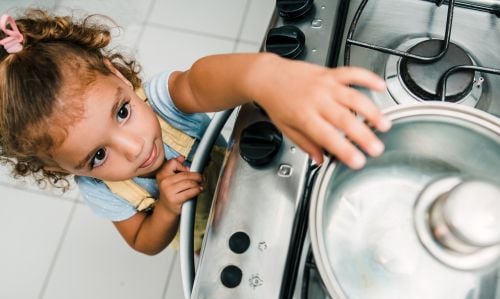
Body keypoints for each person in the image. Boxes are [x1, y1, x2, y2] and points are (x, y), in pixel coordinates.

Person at [0, 9, 391, 256]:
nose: (135, 147)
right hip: (214, 240)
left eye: (121, 111)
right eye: (97, 156)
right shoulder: (100, 190)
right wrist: (167, 209)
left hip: (256, 186)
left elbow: (197, 81)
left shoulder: (159, 102)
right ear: (61, 168)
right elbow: (143, 242)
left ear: (116, 74)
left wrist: (264, 76)